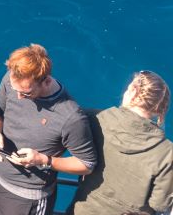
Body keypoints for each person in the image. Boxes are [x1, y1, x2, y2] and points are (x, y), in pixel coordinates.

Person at [0, 43, 97, 215]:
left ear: (46, 81)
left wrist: (43, 159)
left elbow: (87, 164)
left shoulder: (71, 117)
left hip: (28, 199)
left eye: (26, 93)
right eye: (16, 89)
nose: (19, 97)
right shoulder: (12, 79)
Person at [68, 70, 173, 215]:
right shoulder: (167, 152)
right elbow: (160, 204)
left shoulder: (95, 118)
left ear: (132, 93)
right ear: (160, 109)